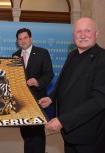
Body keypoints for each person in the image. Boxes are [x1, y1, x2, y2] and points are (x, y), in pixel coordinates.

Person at [38, 17, 105, 153]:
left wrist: (63, 121)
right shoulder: (72, 55)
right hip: (69, 132)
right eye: (78, 32)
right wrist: (52, 98)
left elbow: (99, 100)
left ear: (96, 34)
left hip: (89, 135)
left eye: (87, 31)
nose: (83, 35)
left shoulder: (102, 58)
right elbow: (64, 84)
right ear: (73, 35)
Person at [12, 28, 54, 153]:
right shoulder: (14, 55)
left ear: (30, 38)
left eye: (25, 38)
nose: (23, 41)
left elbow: (49, 74)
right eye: (20, 39)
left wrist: (38, 81)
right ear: (17, 41)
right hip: (21, 100)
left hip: (37, 98)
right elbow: (13, 78)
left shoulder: (42, 53)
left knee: (37, 133)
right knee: (25, 132)